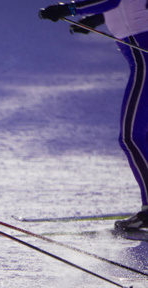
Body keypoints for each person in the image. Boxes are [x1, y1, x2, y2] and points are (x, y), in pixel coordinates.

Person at [39, 1, 148, 231]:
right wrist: (97, 20)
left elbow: (112, 0)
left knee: (132, 137)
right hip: (141, 53)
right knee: (137, 137)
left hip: (144, 61)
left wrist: (68, 9)